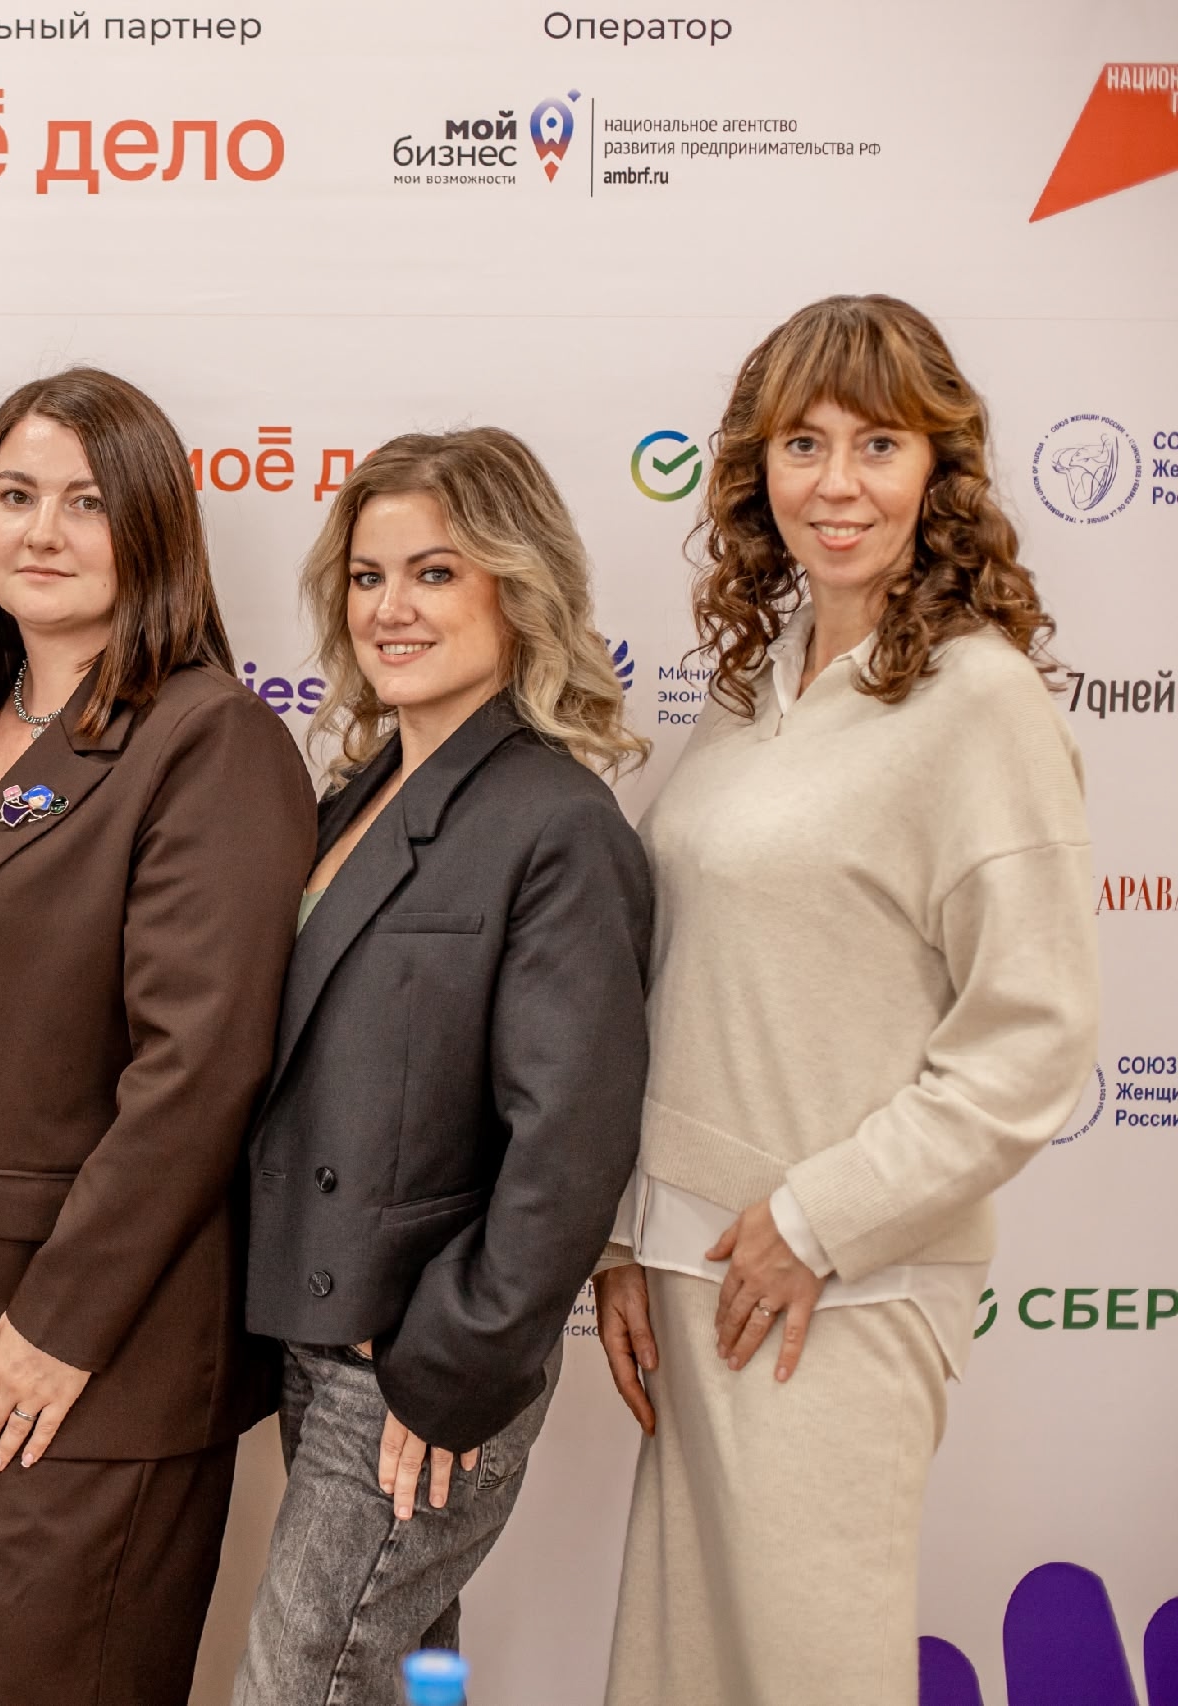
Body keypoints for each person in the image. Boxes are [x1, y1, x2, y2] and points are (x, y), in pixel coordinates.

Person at [594, 294, 1099, 1706]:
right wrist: (627, 1233)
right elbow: (687, 981)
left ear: (939, 470)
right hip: (694, 1270)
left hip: (835, 1286)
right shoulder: (755, 684)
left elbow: (1032, 1039)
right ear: (758, 468)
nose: (837, 482)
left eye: (880, 443)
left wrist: (815, 1223)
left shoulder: (980, 701)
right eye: (802, 443)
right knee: (686, 1680)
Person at [0, 367, 314, 1706]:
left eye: (85, 501)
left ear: (153, 527)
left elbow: (199, 1068)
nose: (42, 530)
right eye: (14, 495)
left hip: (83, 1357)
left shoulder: (209, 737)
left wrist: (58, 1325)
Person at [229, 429, 653, 1706]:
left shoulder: (557, 821)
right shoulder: (355, 794)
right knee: (396, 1679)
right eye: (368, 576)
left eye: (434, 572)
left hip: (416, 1358)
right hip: (321, 1332)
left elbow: (568, 1139)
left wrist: (450, 1364)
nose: (390, 608)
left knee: (302, 1683)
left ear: (515, 589)